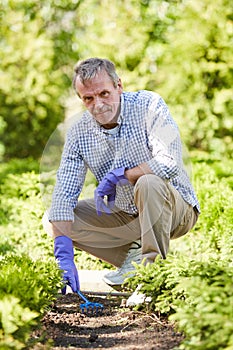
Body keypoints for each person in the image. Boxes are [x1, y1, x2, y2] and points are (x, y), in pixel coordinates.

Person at [43, 57, 200, 306]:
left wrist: (124, 175)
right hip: (125, 215)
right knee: (55, 217)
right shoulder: (78, 132)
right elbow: (64, 192)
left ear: (119, 85)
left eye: (104, 93)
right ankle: (134, 260)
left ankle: (150, 278)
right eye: (89, 98)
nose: (98, 104)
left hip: (175, 209)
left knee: (148, 182)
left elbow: (169, 162)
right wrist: (63, 255)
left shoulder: (150, 105)